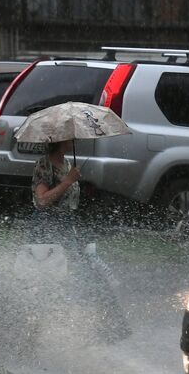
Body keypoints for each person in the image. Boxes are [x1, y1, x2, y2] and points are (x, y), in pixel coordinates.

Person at [29, 138, 129, 340]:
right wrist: (67, 181)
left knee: (90, 273)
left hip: (68, 229)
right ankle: (38, 329)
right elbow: (42, 200)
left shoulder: (67, 165)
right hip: (48, 233)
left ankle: (108, 325)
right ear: (59, 140)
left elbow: (69, 205)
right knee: (55, 280)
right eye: (69, 137)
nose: (73, 140)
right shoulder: (44, 164)